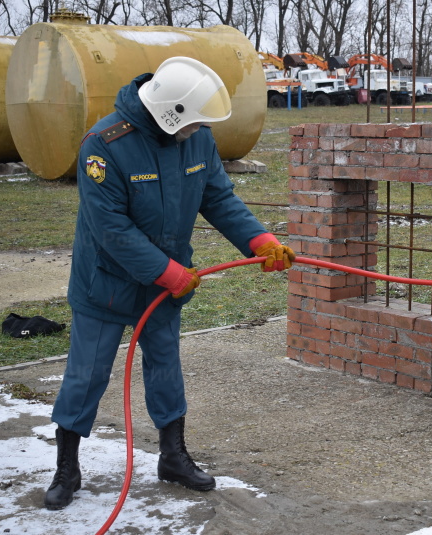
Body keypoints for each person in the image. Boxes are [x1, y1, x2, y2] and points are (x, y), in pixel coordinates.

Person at [44, 56, 295, 510]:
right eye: (193, 121)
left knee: (165, 368)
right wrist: (167, 271)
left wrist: (259, 240)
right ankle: (66, 467)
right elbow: (112, 230)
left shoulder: (195, 138)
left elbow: (218, 198)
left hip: (164, 288)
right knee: (87, 375)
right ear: (170, 113)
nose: (199, 129)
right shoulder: (103, 147)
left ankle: (173, 456)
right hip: (107, 284)